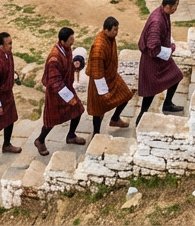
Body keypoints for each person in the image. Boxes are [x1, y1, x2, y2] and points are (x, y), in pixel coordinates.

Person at [35, 27, 85, 155]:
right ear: (62, 41)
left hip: (67, 88)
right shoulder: (54, 58)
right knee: (51, 120)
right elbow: (55, 81)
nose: (72, 43)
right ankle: (40, 140)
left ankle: (71, 136)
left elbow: (68, 65)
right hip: (56, 93)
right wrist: (69, 97)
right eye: (70, 41)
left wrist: (76, 64)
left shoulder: (66, 49)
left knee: (78, 110)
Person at [138, 0, 184, 122]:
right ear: (168, 6)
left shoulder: (164, 13)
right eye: (175, 6)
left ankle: (167, 104)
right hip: (152, 60)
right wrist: (171, 49)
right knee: (151, 89)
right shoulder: (157, 21)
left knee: (176, 76)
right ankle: (141, 116)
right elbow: (152, 48)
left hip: (161, 57)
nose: (176, 8)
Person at [87, 17, 133, 134]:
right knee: (98, 110)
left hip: (112, 76)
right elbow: (97, 72)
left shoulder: (110, 38)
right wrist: (104, 93)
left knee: (126, 95)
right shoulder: (99, 47)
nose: (116, 33)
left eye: (117, 29)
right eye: (114, 30)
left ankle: (115, 119)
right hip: (100, 82)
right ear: (106, 30)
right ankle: (96, 134)